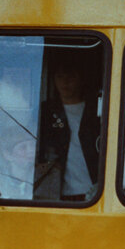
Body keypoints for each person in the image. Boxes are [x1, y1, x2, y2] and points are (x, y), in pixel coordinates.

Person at [39, 53, 101, 200]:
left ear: (81, 79)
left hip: (95, 189)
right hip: (57, 190)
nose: (64, 82)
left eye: (70, 77)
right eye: (60, 77)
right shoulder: (46, 112)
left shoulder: (97, 110)